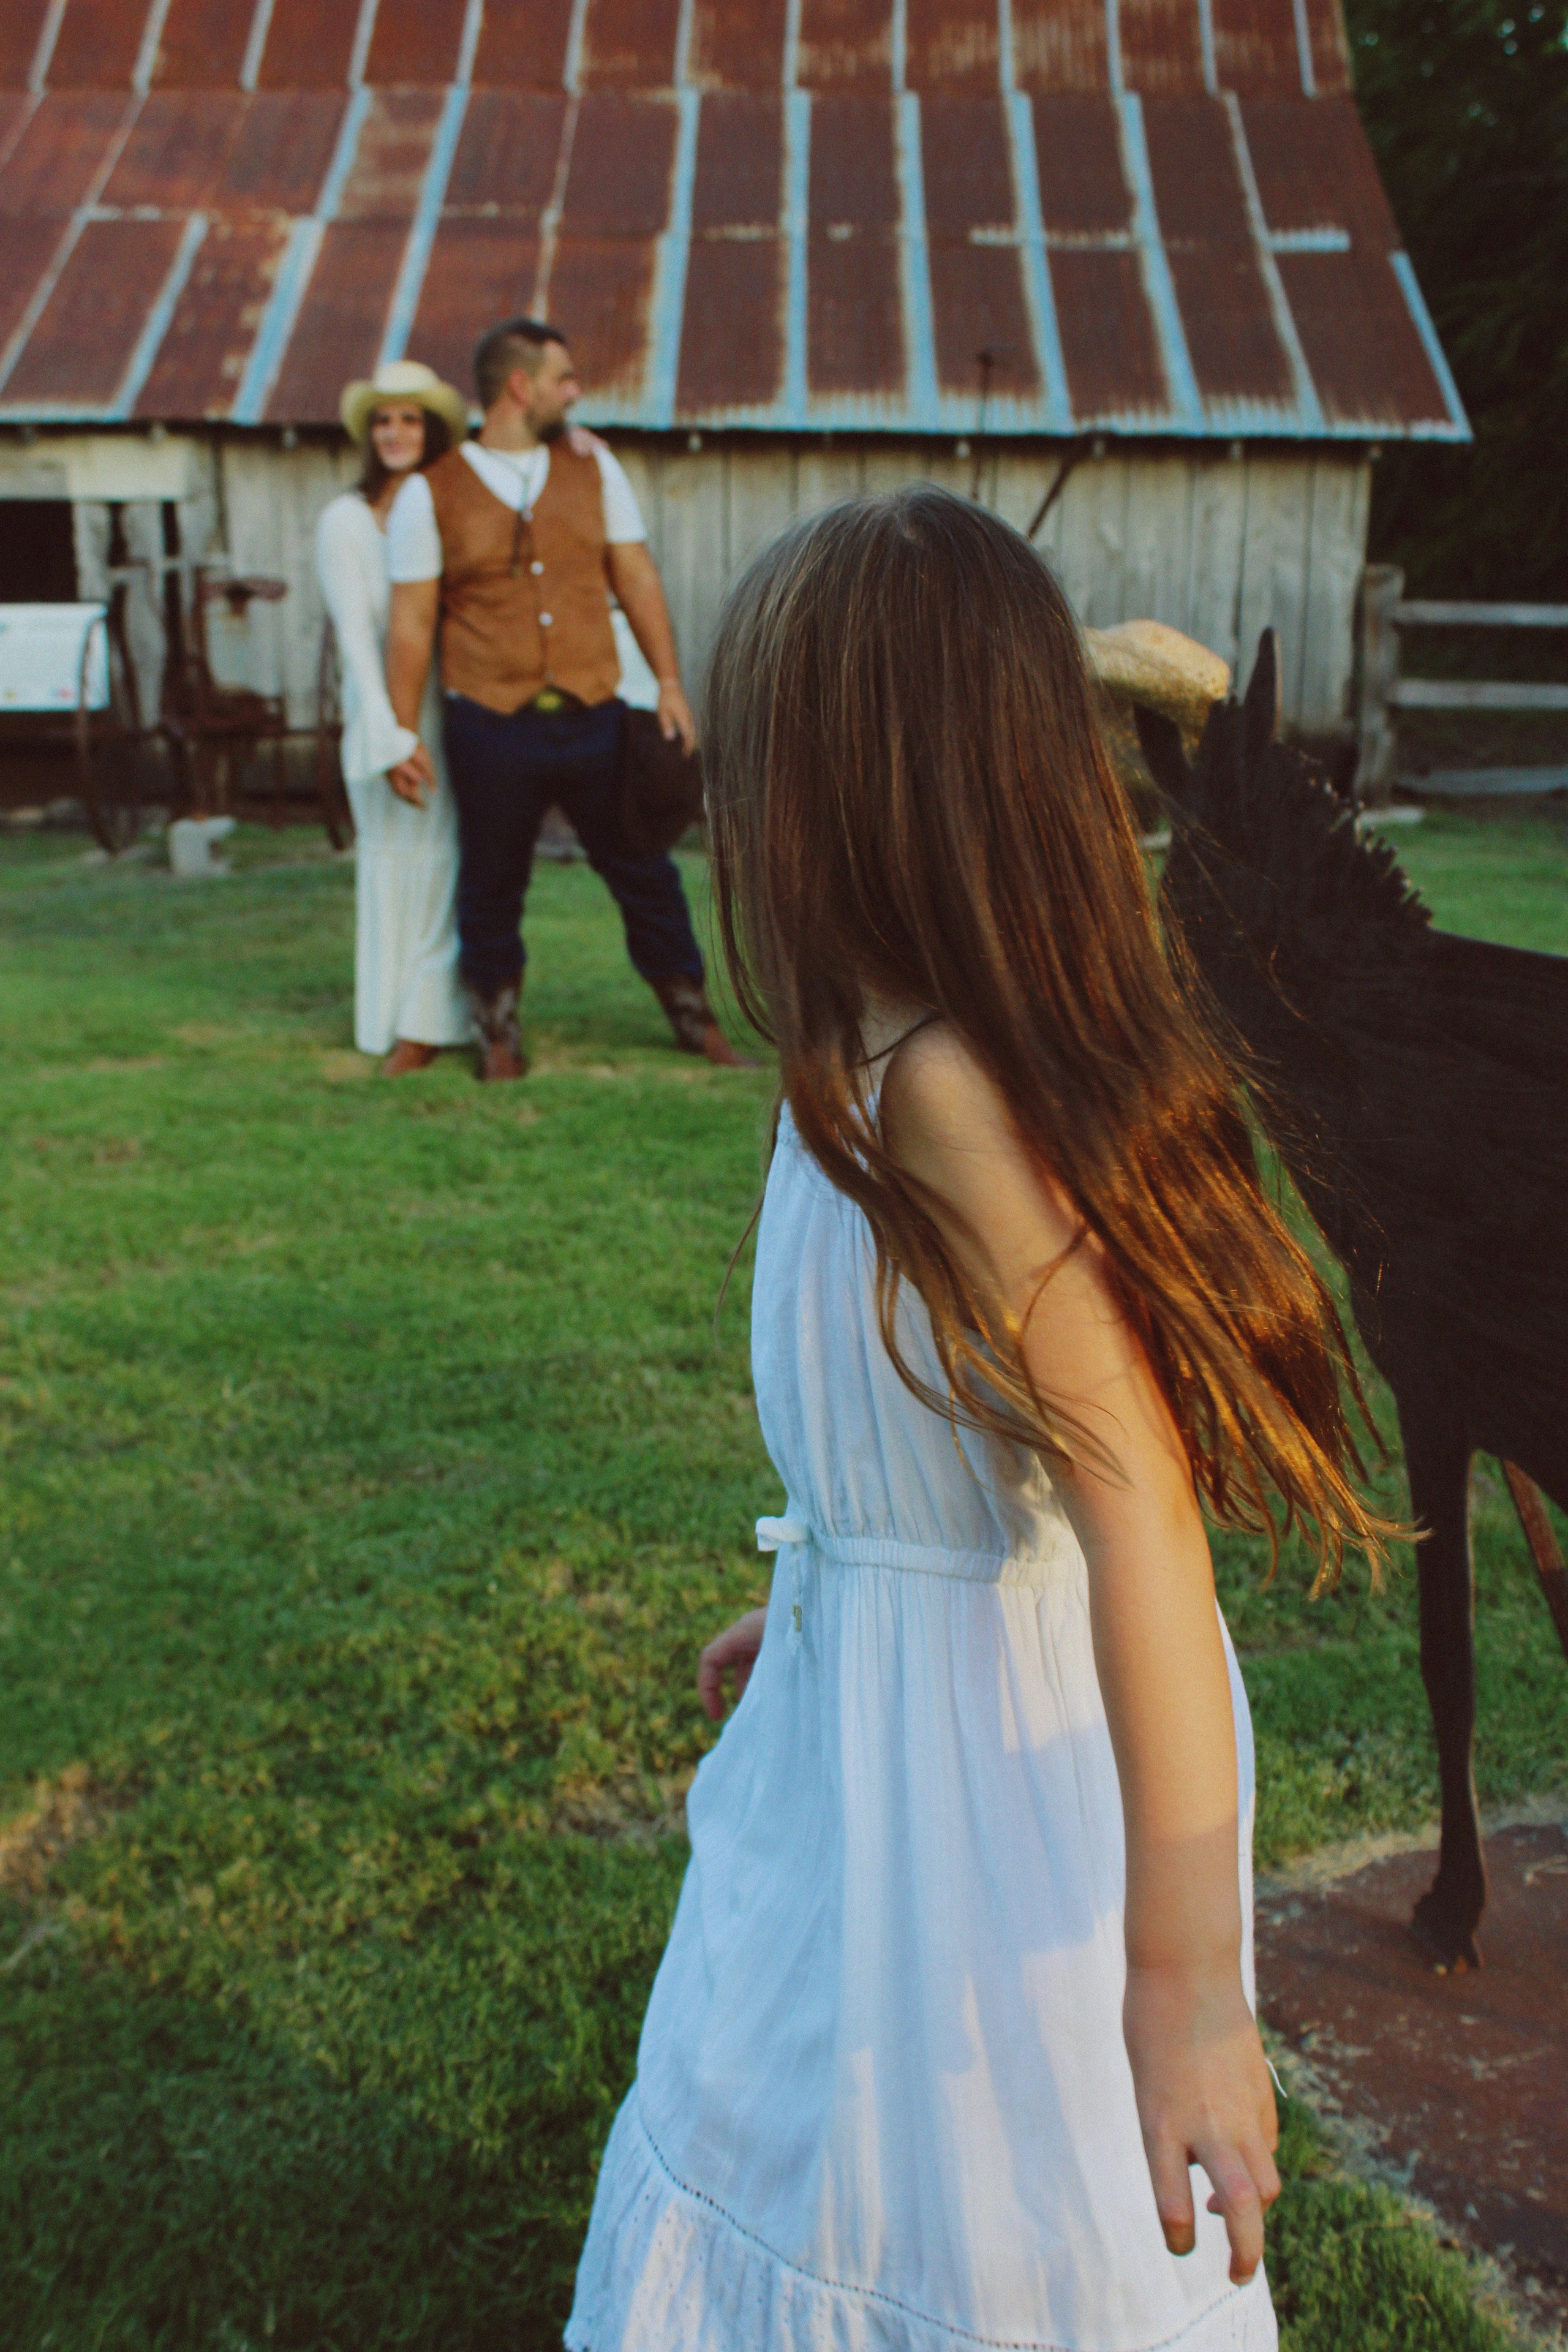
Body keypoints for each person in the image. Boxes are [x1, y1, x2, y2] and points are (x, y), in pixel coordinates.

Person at [566, 490, 1397, 2351]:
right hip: (855, 1729)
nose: (719, 792)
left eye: (751, 747)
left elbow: (1141, 1520)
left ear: (846, 788)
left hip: (988, 1780)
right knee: (785, 2108)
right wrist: (832, 1594)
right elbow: (942, 1453)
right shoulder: (847, 1065)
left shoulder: (947, 1092)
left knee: (962, 2191)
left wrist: (1183, 1979)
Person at [383, 317, 745, 1079]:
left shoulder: (594, 471)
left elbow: (637, 577)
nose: (575, 393)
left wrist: (671, 684)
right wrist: (397, 731)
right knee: (491, 881)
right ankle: (498, 1035)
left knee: (645, 871)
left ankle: (696, 1021)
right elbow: (411, 623)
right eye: (564, 379)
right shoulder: (430, 493)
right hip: (489, 723)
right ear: (522, 387)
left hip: (596, 716)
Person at [315, 360, 472, 1074]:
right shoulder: (345, 521)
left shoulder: (446, 504)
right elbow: (355, 637)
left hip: (452, 706)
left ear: (432, 430)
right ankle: (391, 1020)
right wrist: (393, 737)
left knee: (447, 861)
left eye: (410, 420)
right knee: (396, 861)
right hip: (382, 712)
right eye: (384, 420)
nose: (395, 433)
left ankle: (433, 1014)